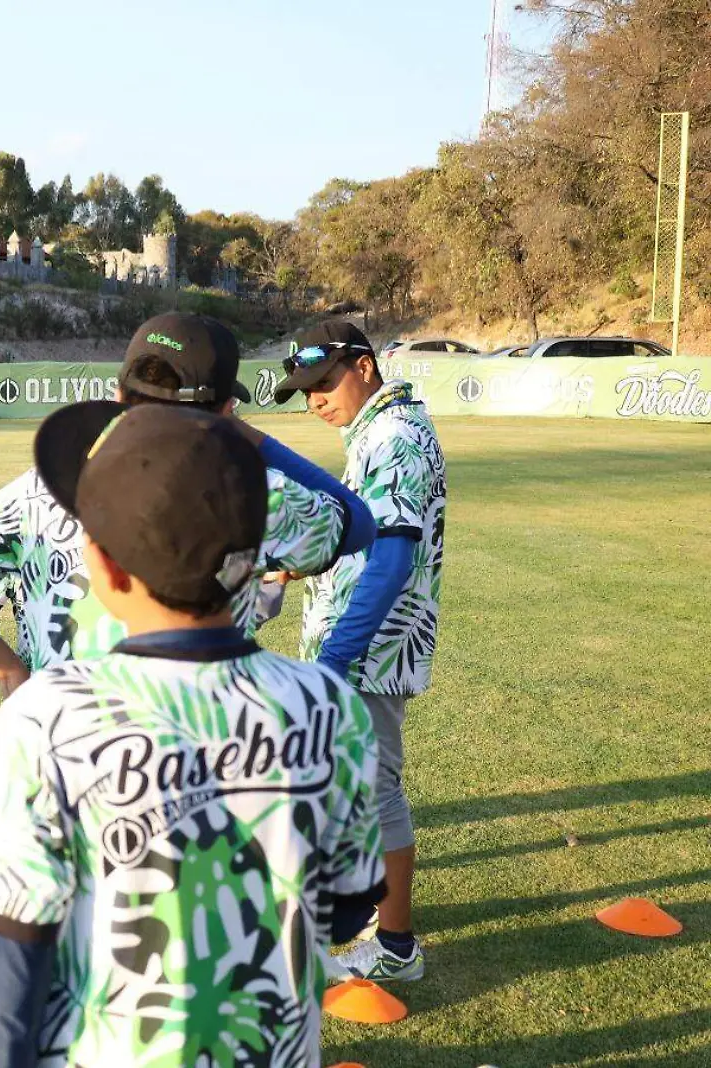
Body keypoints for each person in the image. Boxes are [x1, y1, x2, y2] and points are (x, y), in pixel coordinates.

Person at [0, 403, 385, 1067]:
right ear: (255, 565)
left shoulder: (45, 716)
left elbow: (11, 960)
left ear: (100, 568)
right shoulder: (330, 706)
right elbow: (346, 910)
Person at [0, 312, 373, 692]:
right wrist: (249, 438)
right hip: (200, 748)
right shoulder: (256, 491)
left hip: (62, 740)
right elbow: (358, 523)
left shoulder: (44, 486)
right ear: (225, 411)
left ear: (116, 394)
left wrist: (8, 670)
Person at [273, 319, 447, 983]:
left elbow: (393, 556)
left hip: (370, 648)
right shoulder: (374, 430)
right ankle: (358, 910)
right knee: (350, 783)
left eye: (324, 382)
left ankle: (397, 946)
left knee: (376, 791)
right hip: (359, 643)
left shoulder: (396, 435)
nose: (316, 399)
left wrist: (335, 662)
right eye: (306, 391)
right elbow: (354, 519)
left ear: (364, 367)